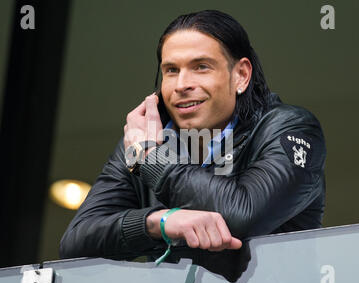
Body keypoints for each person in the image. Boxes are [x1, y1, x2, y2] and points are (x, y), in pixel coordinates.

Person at [59, 10, 326, 263]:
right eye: (171, 70)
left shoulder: (290, 127)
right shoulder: (146, 139)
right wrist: (159, 222)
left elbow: (243, 215)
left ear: (241, 75)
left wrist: (152, 160)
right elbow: (76, 242)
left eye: (201, 67)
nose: (181, 84)